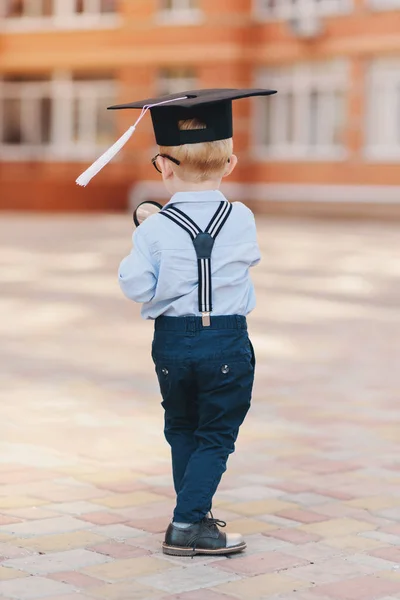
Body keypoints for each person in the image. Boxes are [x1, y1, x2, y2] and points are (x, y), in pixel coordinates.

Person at [76, 88, 277, 556]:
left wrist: (150, 225)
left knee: (183, 427)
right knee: (217, 434)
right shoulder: (242, 217)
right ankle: (187, 524)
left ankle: (196, 516)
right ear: (230, 164)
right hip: (226, 339)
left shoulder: (157, 228)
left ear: (163, 166)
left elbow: (135, 286)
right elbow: (243, 256)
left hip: (171, 341)